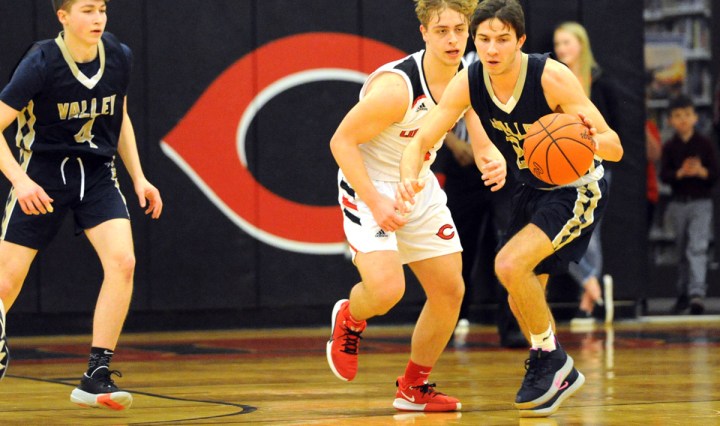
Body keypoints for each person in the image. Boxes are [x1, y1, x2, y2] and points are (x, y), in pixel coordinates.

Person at [399, 0, 623, 417]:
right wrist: (408, 177)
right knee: (523, 297)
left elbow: (615, 146)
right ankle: (550, 365)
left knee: (508, 264)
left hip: (577, 188)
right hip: (531, 188)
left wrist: (587, 139)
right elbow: (422, 139)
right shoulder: (469, 81)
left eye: (502, 39)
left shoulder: (550, 76)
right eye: (483, 39)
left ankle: (551, 360)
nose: (491, 48)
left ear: (520, 40)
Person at [327, 0, 506, 412]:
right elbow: (341, 141)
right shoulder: (397, 89)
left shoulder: (468, 75)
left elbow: (476, 124)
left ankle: (413, 387)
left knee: (450, 290)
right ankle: (351, 316)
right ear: (424, 32)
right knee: (387, 290)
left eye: (459, 30)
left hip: (419, 183)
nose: (452, 40)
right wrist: (376, 201)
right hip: (370, 183)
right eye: (442, 31)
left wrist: (489, 156)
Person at [0, 0, 162, 411]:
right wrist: (20, 181)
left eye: (102, 9)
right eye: (87, 10)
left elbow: (120, 117)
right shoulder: (41, 61)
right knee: (4, 285)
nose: (98, 18)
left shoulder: (119, 55)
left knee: (123, 262)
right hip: (42, 174)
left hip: (97, 174)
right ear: (63, 17)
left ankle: (95, 375)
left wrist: (139, 176)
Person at [553, 21, 620, 325]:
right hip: (563, 168)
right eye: (557, 44)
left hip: (597, 167)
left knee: (591, 233)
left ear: (581, 44)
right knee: (563, 232)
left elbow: (614, 130)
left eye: (566, 42)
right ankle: (593, 283)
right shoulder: (553, 81)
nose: (561, 49)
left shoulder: (600, 82)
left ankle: (587, 301)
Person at [442, 112, 525, 348]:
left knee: (510, 246)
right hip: (462, 167)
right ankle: (446, 323)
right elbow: (434, 109)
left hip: (506, 166)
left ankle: (513, 325)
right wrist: (453, 142)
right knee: (456, 248)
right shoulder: (454, 85)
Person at [659, 94, 719, 315]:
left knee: (697, 247)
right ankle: (683, 293)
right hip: (678, 203)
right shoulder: (669, 146)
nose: (683, 120)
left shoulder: (705, 144)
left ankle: (697, 293)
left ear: (695, 117)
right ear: (670, 120)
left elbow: (714, 173)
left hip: (701, 203)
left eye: (687, 114)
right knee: (682, 250)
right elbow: (664, 175)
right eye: (677, 116)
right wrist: (680, 173)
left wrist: (701, 171)